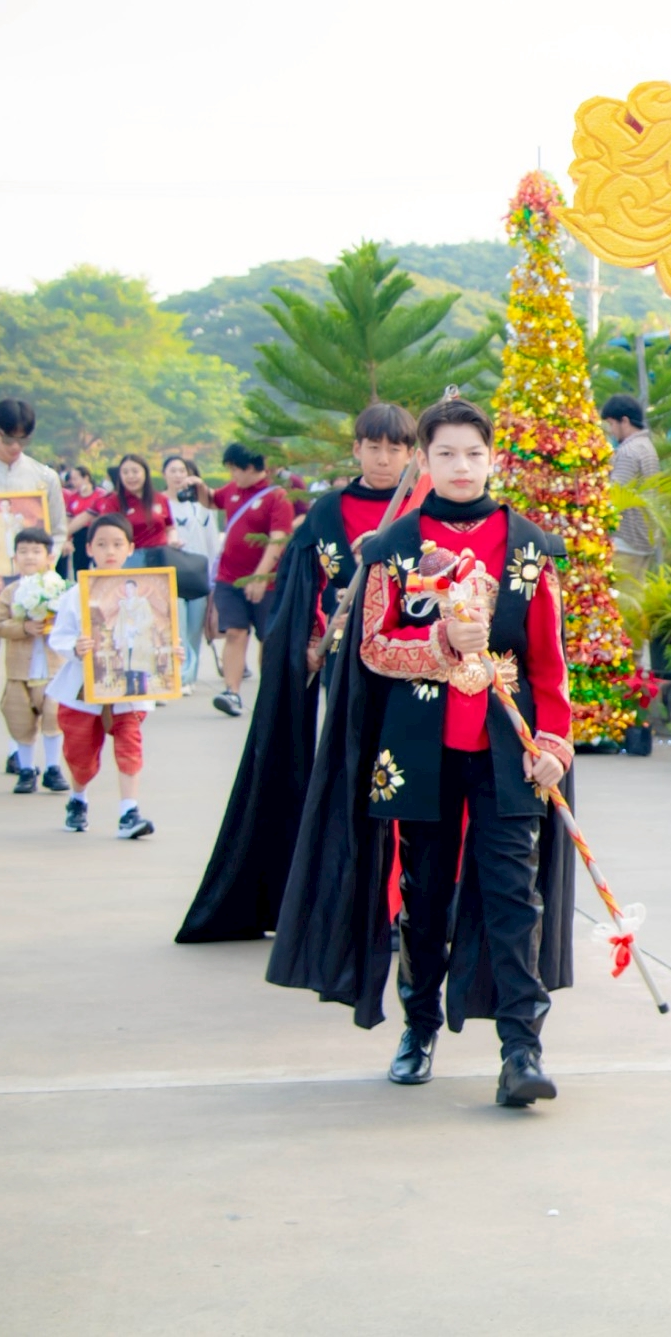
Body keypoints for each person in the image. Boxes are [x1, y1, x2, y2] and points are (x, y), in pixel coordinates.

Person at [267, 395, 579, 1110]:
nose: (461, 466)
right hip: (420, 748)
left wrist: (554, 743)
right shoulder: (394, 547)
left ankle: (522, 1049)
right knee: (425, 896)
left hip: (509, 748)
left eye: (473, 453)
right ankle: (418, 1026)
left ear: (493, 459)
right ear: (424, 461)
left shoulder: (531, 548)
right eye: (446, 454)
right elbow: (373, 646)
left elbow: (549, 661)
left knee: (515, 898)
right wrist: (441, 642)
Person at [180, 404, 419, 944]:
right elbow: (304, 588)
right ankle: (352, 903)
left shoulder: (423, 509)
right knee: (352, 781)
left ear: (411, 455)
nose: (383, 459)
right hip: (346, 669)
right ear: (356, 449)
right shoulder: (328, 512)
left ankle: (407, 906)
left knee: (408, 787)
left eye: (395, 449)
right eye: (373, 447)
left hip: (415, 672)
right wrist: (310, 643)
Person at [47, 513, 157, 839]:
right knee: (81, 754)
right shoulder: (75, 594)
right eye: (102, 544)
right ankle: (78, 799)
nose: (110, 551)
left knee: (130, 744)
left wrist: (170, 653)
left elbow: (159, 634)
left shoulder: (147, 592)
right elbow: (59, 635)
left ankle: (129, 812)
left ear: (130, 548)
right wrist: (75, 646)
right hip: (84, 687)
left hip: (127, 684)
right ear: (89, 548)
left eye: (117, 544)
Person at [0, 399, 66, 771]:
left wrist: (44, 578)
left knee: (28, 666)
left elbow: (57, 531)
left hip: (31, 592)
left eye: (22, 440)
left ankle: (20, 747)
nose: (15, 448)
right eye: (8, 439)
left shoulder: (43, 477)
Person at [209, 442, 294, 717]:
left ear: (249, 467)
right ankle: (231, 692)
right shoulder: (232, 490)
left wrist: (260, 576)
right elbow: (211, 499)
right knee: (235, 632)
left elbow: (278, 538)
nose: (232, 475)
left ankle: (267, 696)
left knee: (267, 638)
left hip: (266, 582)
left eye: (234, 469)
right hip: (229, 579)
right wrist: (196, 486)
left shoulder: (277, 496)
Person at [0, 527, 68, 793]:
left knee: (54, 716)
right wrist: (24, 628)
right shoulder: (10, 592)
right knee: (20, 717)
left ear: (49, 557)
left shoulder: (59, 589)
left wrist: (52, 624)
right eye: (23, 551)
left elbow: (71, 622)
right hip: (20, 669)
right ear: (15, 558)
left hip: (52, 667)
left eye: (36, 551)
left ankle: (52, 767)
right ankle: (26, 770)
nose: (29, 557)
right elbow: (0, 626)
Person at [162, 456, 218, 689]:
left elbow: (212, 543)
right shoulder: (160, 504)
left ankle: (190, 676)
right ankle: (179, 676)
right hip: (171, 573)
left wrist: (213, 579)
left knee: (195, 628)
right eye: (172, 470)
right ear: (164, 474)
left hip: (197, 574)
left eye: (181, 471)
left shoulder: (201, 507)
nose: (177, 475)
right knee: (177, 628)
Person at [601, 393, 662, 579]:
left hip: (627, 542)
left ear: (624, 421)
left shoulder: (629, 451)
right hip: (644, 540)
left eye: (612, 424)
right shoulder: (646, 446)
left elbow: (614, 496)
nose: (611, 431)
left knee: (623, 597)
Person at [96, 453, 173, 549]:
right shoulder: (113, 502)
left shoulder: (161, 499)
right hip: (131, 555)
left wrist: (173, 541)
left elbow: (170, 527)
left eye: (135, 471)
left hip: (161, 554)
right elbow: (104, 530)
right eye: (125, 472)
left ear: (145, 473)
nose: (130, 476)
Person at [60, 464, 100, 578]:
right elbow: (68, 519)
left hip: (96, 533)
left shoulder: (100, 494)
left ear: (86, 478)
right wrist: (66, 538)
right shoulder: (73, 497)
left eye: (75, 479)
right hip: (78, 534)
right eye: (71, 479)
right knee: (80, 568)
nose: (73, 482)